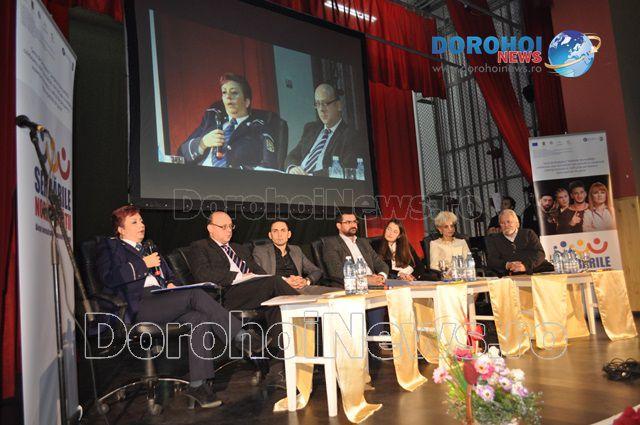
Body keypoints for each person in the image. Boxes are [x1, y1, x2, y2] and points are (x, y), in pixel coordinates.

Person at [96, 205, 267, 408]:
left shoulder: (149, 247)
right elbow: (108, 278)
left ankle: (198, 385)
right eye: (134, 222)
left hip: (163, 299)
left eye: (141, 220)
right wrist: (143, 264)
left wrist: (172, 284)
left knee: (200, 318)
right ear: (121, 229)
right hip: (137, 305)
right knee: (195, 295)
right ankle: (242, 337)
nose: (141, 225)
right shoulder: (111, 247)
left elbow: (170, 275)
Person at [187, 212, 300, 343]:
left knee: (276, 305)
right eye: (223, 227)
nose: (229, 230)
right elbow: (203, 274)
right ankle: (307, 309)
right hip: (226, 293)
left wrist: (284, 280)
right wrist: (239, 276)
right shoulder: (200, 247)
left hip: (252, 290)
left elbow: (260, 272)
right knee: (275, 283)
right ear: (210, 228)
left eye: (231, 226)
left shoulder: (239, 248)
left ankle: (277, 352)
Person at [178, 73, 278, 169]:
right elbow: (181, 154)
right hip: (199, 176)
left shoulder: (259, 127)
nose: (228, 97)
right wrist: (202, 143)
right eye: (224, 92)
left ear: (246, 102)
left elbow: (270, 165)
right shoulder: (212, 118)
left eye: (234, 93)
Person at [322, 212, 388, 344]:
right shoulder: (331, 243)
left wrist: (381, 276)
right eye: (348, 222)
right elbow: (336, 272)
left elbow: (381, 264)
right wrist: (366, 280)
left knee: (403, 291)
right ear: (338, 225)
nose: (353, 225)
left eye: (354, 222)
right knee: (377, 296)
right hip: (354, 285)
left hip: (375, 282)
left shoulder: (363, 242)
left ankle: (408, 340)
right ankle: (377, 343)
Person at [285, 83, 366, 177]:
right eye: (317, 104)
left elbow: (345, 168)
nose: (321, 109)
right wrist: (292, 168)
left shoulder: (351, 136)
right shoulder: (311, 129)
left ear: (338, 105)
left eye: (325, 103)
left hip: (320, 183)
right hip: (297, 179)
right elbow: (292, 156)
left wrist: (310, 176)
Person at [253, 220, 334, 294]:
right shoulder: (260, 251)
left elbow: (316, 271)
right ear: (270, 235)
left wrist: (306, 281)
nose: (279, 235)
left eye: (283, 230)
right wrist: (284, 281)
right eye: (275, 231)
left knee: (337, 293)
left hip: (300, 288)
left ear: (289, 234)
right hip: (277, 290)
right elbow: (258, 276)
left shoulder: (296, 250)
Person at [484, 209, 553, 276]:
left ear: (516, 223)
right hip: (509, 273)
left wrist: (525, 266)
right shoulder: (494, 239)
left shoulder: (528, 234)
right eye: (502, 223)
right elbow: (492, 260)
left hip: (535, 270)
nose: (506, 225)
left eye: (508, 222)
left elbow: (540, 253)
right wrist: (507, 265)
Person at [428, 211, 470, 276]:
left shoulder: (462, 242)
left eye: (452, 226)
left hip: (462, 275)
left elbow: (468, 262)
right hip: (445, 276)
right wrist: (447, 272)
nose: (450, 229)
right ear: (439, 229)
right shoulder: (435, 244)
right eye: (446, 227)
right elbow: (433, 266)